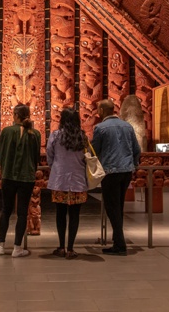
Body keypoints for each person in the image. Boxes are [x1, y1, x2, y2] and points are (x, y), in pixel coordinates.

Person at [92, 99, 141, 256]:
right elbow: (137, 149)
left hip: (111, 171)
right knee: (118, 205)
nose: (97, 112)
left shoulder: (100, 128)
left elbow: (95, 150)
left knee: (112, 207)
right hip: (126, 171)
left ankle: (120, 244)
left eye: (98, 109)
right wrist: (132, 164)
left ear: (102, 110)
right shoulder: (127, 126)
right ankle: (117, 240)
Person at [0, 103, 41, 257]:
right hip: (26, 178)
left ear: (15, 115)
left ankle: (1, 245)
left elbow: (0, 155)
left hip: (8, 176)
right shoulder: (35, 134)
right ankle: (17, 248)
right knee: (22, 213)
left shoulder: (7, 132)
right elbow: (36, 158)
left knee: (5, 210)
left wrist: (6, 166)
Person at [46, 108, 88, 259]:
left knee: (60, 214)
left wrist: (56, 168)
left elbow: (49, 155)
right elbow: (86, 156)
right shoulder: (82, 137)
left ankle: (61, 246)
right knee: (75, 215)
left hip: (60, 180)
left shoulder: (56, 136)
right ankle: (71, 249)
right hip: (78, 180)